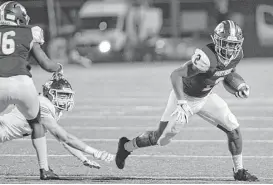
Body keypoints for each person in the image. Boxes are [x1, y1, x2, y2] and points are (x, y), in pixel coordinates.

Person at [115, 20, 259, 182]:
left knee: (233, 128)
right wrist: (182, 102)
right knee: (161, 139)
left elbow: (227, 75)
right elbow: (176, 75)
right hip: (184, 97)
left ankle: (239, 171)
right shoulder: (206, 58)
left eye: (233, 44)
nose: (230, 49)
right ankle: (126, 146)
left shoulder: (236, 56)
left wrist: (239, 87)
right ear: (217, 40)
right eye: (226, 44)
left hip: (206, 96)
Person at [0, 76, 114, 180]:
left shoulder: (52, 108)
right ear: (49, 94)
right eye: (62, 95)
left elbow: (62, 140)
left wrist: (83, 158)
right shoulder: (43, 105)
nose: (65, 100)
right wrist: (95, 152)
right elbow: (66, 138)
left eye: (67, 96)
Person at [0, 1, 62, 179]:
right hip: (22, 83)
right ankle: (45, 169)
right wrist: (58, 67)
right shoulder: (29, 32)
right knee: (36, 123)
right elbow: (46, 65)